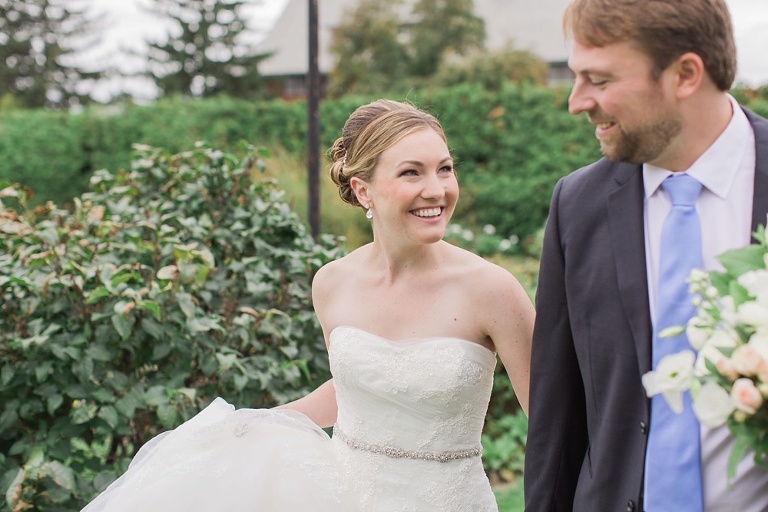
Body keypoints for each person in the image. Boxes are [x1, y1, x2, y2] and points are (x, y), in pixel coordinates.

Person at [82, 99, 535, 512]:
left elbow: (553, 415)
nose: (436, 190)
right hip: (343, 495)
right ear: (362, 190)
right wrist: (254, 424)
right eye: (411, 173)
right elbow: (355, 392)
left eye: (445, 169)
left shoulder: (493, 290)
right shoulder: (333, 283)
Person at [523, 0, 768, 511]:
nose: (576, 102)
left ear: (685, 74)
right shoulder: (577, 205)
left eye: (599, 79)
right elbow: (557, 416)